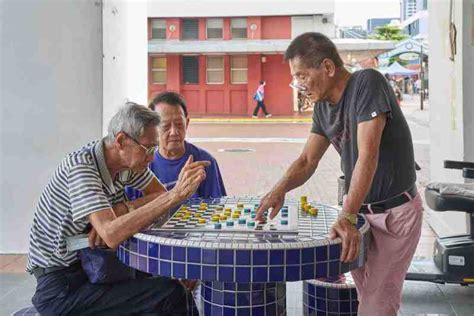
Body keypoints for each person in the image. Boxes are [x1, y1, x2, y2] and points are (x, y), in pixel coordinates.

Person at [256, 32, 422, 316]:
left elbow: (368, 155)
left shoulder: (367, 82)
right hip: (360, 215)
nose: (299, 85)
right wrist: (277, 190)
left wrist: (345, 216)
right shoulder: (322, 107)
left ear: (328, 68)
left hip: (395, 214)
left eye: (303, 76)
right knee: (367, 297)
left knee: (376, 306)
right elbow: (308, 160)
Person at [27, 102, 209, 315]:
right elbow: (112, 233)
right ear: (122, 140)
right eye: (148, 149)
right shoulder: (82, 167)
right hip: (62, 285)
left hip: (95, 267)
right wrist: (175, 194)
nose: (152, 157)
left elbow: (157, 194)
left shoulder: (127, 165)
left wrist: (123, 209)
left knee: (166, 281)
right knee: (170, 294)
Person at [126, 91, 226, 201]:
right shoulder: (140, 164)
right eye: (165, 126)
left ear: (187, 123)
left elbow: (216, 209)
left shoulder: (204, 162)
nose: (174, 132)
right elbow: (127, 213)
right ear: (152, 128)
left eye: (179, 124)